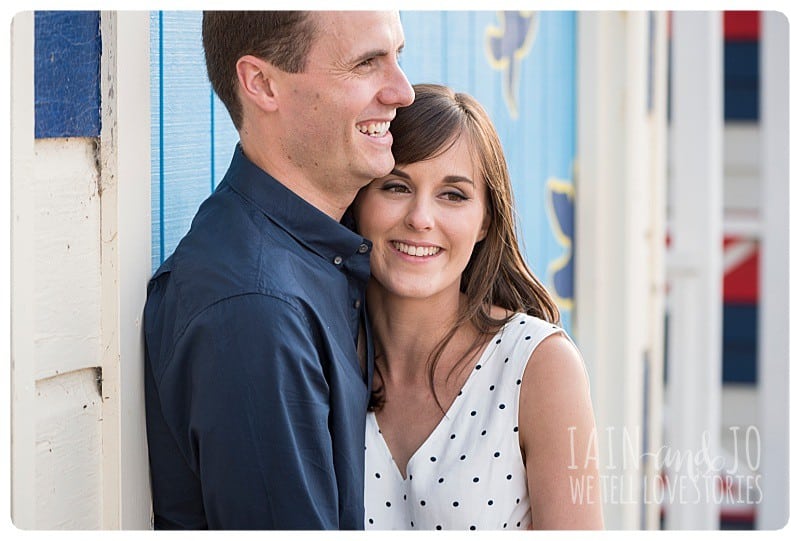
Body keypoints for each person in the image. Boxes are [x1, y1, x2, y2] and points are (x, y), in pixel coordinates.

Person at [143, 11, 414, 529]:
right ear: (262, 83)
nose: (402, 91)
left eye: (397, 56)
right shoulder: (256, 310)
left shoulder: (321, 252)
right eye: (366, 64)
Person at [354, 84, 604, 530]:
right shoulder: (317, 356)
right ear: (359, 201)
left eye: (453, 195)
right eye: (396, 186)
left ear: (486, 219)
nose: (421, 218)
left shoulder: (539, 367)